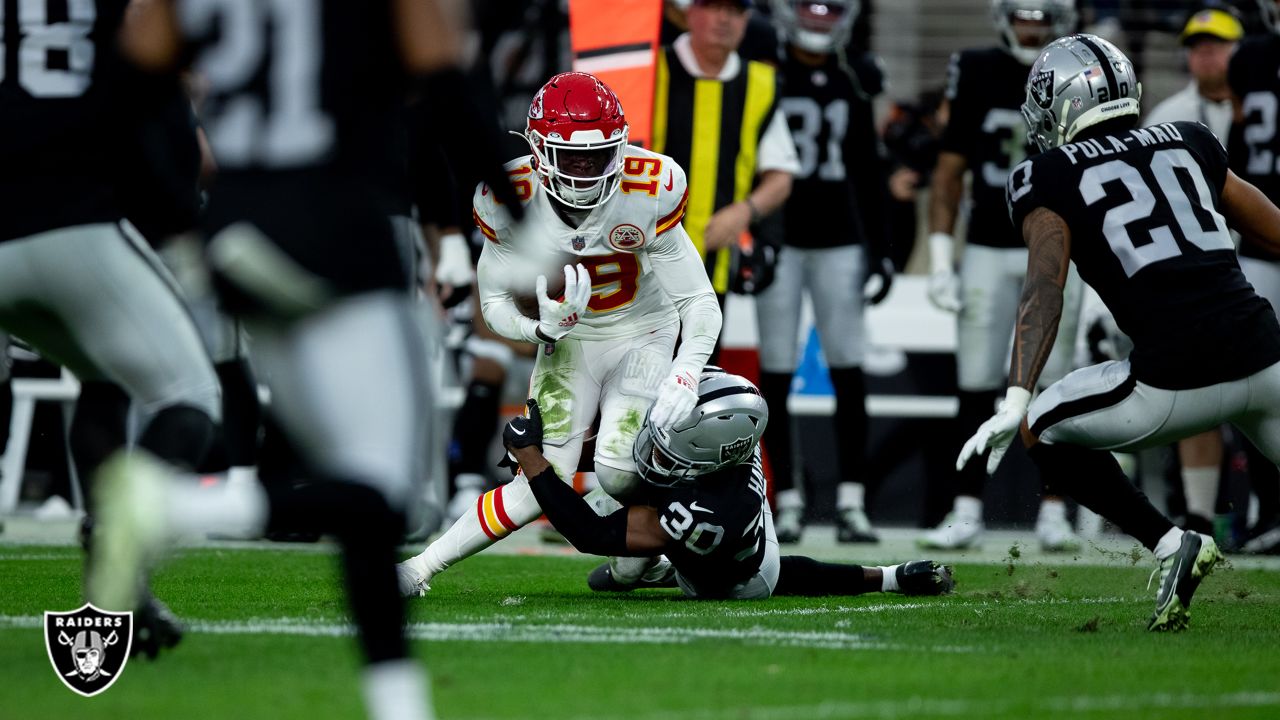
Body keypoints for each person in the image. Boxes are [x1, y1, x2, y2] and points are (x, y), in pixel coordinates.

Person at [105, 1, 523, 717]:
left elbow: (129, 81)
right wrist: (519, 218)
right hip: (340, 233)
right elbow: (448, 82)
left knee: (355, 492)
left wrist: (181, 225)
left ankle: (398, 703)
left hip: (241, 231)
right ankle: (173, 501)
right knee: (382, 495)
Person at [961, 34, 1280, 631]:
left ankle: (1170, 543)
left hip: (1171, 384)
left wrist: (1016, 396)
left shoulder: (1046, 174)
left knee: (1041, 430)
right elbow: (1272, 227)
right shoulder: (1191, 137)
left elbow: (1044, 287)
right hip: (1266, 363)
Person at [396, 72, 723, 596]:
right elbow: (495, 303)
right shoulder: (505, 197)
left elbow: (698, 302)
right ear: (538, 149)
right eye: (571, 157)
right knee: (535, 485)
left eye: (598, 156)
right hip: (569, 342)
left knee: (618, 470)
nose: (586, 169)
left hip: (644, 332)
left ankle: (640, 557)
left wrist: (685, 371)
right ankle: (421, 567)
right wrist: (538, 327)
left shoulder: (649, 189)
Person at [0, 0, 223, 657]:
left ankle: (120, 584)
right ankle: (116, 558)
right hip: (71, 221)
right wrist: (181, 219)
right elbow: (160, 100)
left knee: (105, 373)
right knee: (188, 396)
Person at [503, 370, 954, 600]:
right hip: (694, 510)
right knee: (620, 484)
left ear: (707, 456)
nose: (654, 453)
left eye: (669, 451)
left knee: (609, 531)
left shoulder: (712, 512)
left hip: (735, 574)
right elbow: (642, 445)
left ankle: (659, 571)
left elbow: (588, 534)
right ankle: (652, 565)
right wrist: (559, 447)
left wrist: (533, 459)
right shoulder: (721, 425)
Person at [922, 0, 1084, 552]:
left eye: (1042, 18)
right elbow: (949, 169)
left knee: (1055, 379)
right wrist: (942, 256)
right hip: (990, 244)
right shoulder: (976, 68)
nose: (1032, 27)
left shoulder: (1079, 66)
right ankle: (965, 508)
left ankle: (1055, 511)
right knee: (973, 378)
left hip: (1061, 247)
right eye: (1024, 15)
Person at [757, 0, 895, 544]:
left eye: (829, 8)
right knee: (775, 369)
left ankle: (851, 502)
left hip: (840, 238)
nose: (819, 18)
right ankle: (785, 499)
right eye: (809, 8)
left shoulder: (855, 74)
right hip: (783, 237)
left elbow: (868, 165)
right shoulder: (765, 69)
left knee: (848, 366)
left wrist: (883, 247)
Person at [1137, 5, 1244, 541]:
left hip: (1259, 258)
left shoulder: (1261, 104)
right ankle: (1201, 515)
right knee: (1201, 386)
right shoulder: (1171, 114)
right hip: (1200, 272)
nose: (1207, 54)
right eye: (1198, 45)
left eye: (1218, 44)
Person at [651, 0, 800, 331]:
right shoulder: (649, 71)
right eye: (713, 6)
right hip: (641, 262)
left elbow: (781, 177)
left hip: (711, 271)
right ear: (689, 13)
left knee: (699, 377)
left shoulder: (761, 84)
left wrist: (743, 213)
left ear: (746, 20)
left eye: (733, 10)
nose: (723, 19)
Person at [1226, 0, 1280, 553]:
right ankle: (1270, 509)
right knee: (1256, 378)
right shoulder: (1250, 59)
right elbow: (1238, 155)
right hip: (1263, 244)